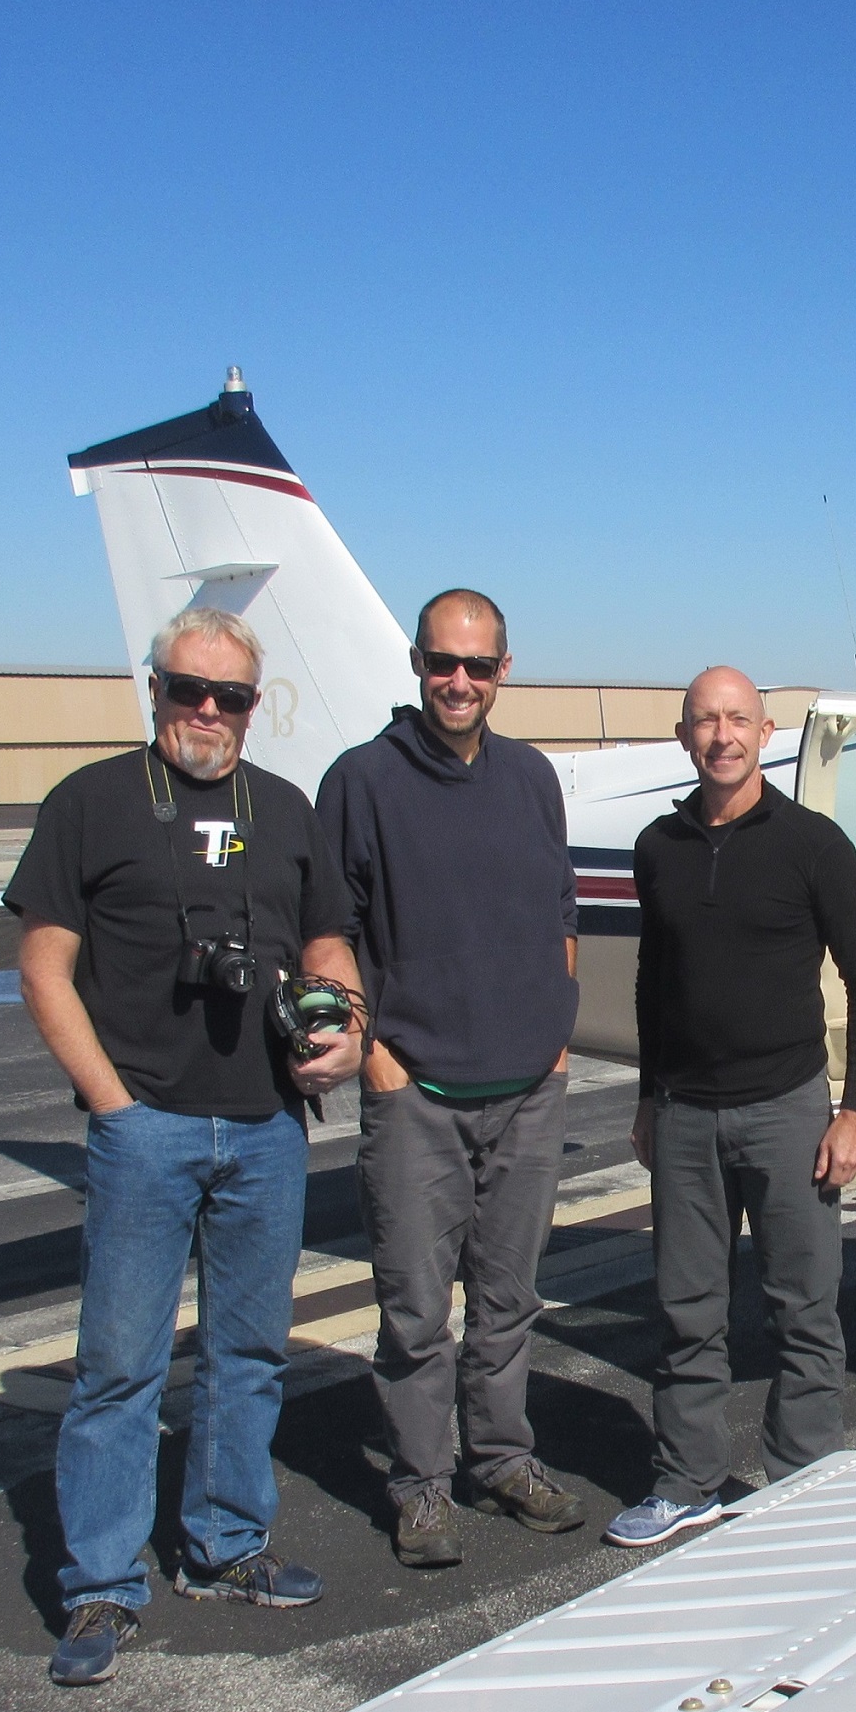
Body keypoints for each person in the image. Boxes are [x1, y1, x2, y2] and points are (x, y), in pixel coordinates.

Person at [6, 605, 364, 1685]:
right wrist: (111, 1103)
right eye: (187, 689)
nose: (206, 711)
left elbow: (328, 937)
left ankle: (224, 1544)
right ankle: (101, 1586)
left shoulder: (286, 809)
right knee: (120, 1367)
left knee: (249, 1354)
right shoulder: (92, 803)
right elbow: (41, 964)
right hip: (147, 1122)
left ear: (257, 707)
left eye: (230, 696)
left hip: (265, 1123)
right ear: (154, 688)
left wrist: (345, 1023)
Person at [316, 589, 587, 1566]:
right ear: (418, 664)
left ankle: (502, 1458)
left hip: (526, 1091)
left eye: (477, 665)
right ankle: (422, 1485)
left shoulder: (530, 778)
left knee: (509, 1302)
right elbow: (329, 932)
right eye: (442, 663)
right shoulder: (361, 780)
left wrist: (554, 1038)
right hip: (417, 1095)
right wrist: (377, 1057)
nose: (458, 681)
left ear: (503, 669)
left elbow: (559, 914)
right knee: (415, 1312)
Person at [606, 667, 856, 1548]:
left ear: (765, 732)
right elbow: (655, 982)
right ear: (685, 734)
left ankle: (802, 1479)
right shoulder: (657, 847)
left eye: (737, 720)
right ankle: (688, 1479)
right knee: (687, 1311)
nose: (721, 736)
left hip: (788, 1110)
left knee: (804, 1307)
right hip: (687, 1115)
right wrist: (651, 1096)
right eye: (705, 721)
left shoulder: (814, 844)